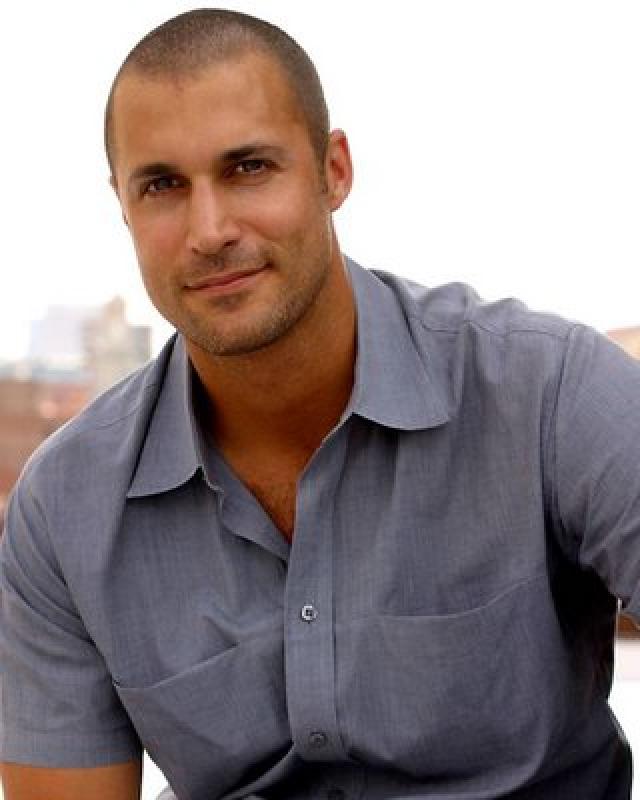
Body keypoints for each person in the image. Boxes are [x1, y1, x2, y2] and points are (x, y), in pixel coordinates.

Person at [1, 8, 640, 800]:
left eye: (248, 168)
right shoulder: (65, 510)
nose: (209, 230)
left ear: (333, 171)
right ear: (124, 205)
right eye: (163, 185)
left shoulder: (549, 394)